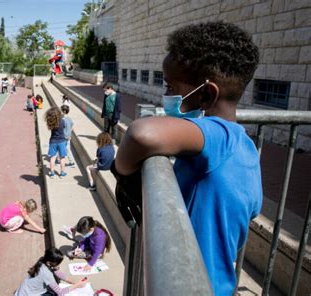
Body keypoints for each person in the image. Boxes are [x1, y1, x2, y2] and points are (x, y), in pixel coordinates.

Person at [112, 21, 262, 295]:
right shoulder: (246, 148)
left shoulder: (218, 135)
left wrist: (122, 174)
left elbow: (140, 134)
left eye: (170, 87)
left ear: (206, 94)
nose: (166, 96)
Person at [15, 248, 88, 295]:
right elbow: (61, 292)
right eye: (57, 264)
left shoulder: (43, 261)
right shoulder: (47, 274)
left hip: (25, 290)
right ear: (49, 263)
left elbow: (58, 273)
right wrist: (77, 285)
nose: (58, 266)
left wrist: (73, 282)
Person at [45, 107, 67, 179]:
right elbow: (64, 127)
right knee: (62, 157)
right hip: (62, 141)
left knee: (52, 157)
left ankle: (52, 173)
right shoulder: (62, 121)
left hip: (53, 141)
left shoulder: (51, 122)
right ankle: (62, 173)